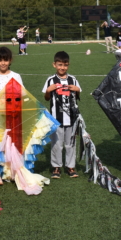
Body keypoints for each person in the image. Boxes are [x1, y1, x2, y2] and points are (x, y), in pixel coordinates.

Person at [43, 51, 81, 179]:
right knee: (56, 144)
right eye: (59, 65)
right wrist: (48, 90)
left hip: (71, 118)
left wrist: (77, 90)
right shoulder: (50, 80)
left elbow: (77, 97)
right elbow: (47, 98)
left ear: (68, 65)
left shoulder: (73, 79)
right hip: (56, 118)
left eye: (65, 65)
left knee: (70, 143)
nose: (62, 68)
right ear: (54, 65)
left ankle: (70, 166)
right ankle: (56, 167)